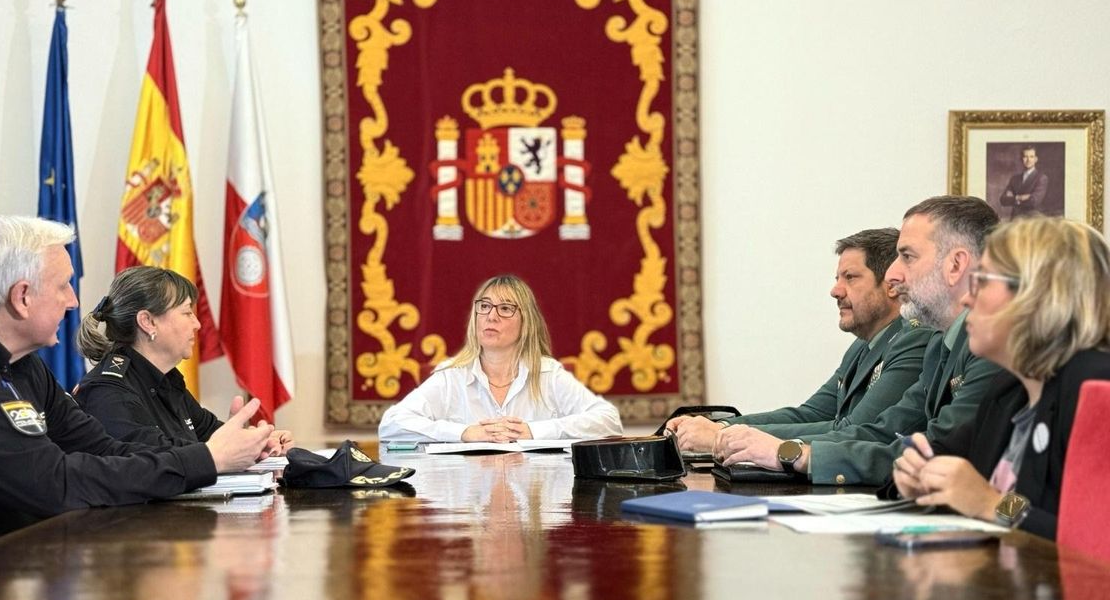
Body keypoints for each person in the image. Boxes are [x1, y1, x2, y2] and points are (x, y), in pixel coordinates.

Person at [0, 216, 273, 567]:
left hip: (9, 574)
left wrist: (211, 458)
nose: (74, 302)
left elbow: (101, 448)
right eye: (63, 286)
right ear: (22, 297)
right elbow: (56, 484)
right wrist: (206, 460)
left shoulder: (21, 363)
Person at [692, 196, 1004, 485]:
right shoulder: (941, 343)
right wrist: (741, 436)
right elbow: (885, 430)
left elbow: (938, 454)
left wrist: (791, 453)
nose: (894, 276)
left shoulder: (992, 345)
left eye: (907, 256)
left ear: (956, 265)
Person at [891, 217, 1110, 538]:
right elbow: (937, 455)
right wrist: (916, 472)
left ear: (1036, 293)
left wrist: (994, 505)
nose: (967, 298)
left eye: (981, 282)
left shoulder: (1095, 386)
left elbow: (1096, 539)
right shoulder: (1008, 389)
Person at [668, 228, 933, 447]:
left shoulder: (914, 339)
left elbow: (855, 429)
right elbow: (812, 413)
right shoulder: (862, 346)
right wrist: (721, 425)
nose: (835, 290)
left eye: (850, 278)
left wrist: (722, 438)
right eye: (837, 278)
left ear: (890, 285)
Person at [74, 266, 292, 453]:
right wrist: (224, 449)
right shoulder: (108, 392)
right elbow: (154, 462)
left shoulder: (166, 381)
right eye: (187, 313)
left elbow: (211, 435)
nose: (197, 324)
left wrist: (257, 442)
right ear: (148, 322)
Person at [378, 274, 622, 442]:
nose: (490, 316)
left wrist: (534, 431)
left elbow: (609, 422)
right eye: (484, 306)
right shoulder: (452, 375)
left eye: (505, 309)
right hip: (468, 505)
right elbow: (391, 424)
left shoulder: (548, 373)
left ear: (526, 321)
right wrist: (464, 433)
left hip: (537, 498)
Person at [999, 145, 1049, 218]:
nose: (1028, 160)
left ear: (1036, 159)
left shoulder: (1041, 178)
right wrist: (1019, 197)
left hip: (1032, 221)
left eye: (1031, 157)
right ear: (1021, 159)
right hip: (1015, 219)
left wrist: (1013, 198)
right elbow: (1003, 200)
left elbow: (1034, 201)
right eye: (1025, 156)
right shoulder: (1014, 179)